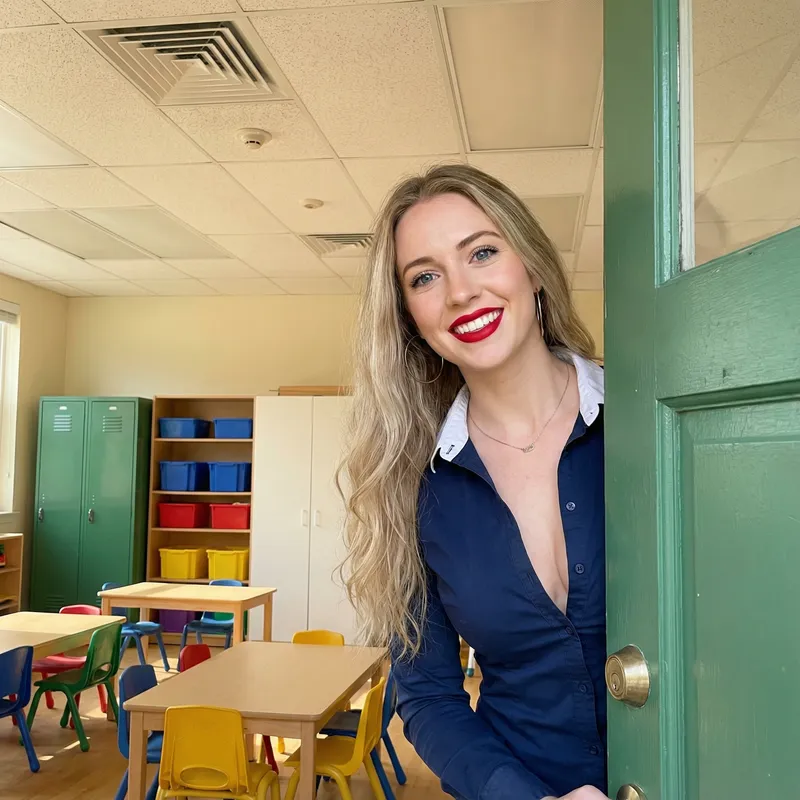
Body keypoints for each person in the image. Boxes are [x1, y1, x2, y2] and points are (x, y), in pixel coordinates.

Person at [339, 163, 609, 800]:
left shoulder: (657, 423)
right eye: (425, 277)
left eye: (482, 252)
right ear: (410, 316)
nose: (460, 292)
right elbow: (429, 694)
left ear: (532, 268)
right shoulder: (411, 487)